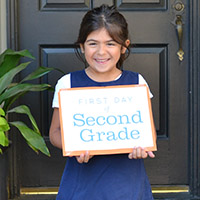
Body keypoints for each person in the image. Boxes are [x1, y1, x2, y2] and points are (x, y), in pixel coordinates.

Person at [49, 4, 156, 200]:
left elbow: (146, 132)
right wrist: (74, 145)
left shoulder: (137, 82)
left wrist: (143, 147)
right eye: (92, 43)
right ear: (81, 46)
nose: (101, 51)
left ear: (124, 47)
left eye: (111, 43)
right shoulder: (67, 84)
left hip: (128, 185)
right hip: (81, 186)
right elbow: (55, 132)